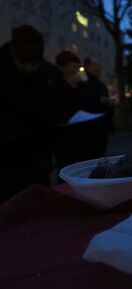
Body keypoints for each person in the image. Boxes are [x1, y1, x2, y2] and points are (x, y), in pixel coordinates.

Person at [0, 25, 70, 203]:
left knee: (37, 201)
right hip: (6, 155)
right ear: (14, 52)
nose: (31, 69)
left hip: (39, 154)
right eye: (25, 64)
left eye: (35, 64)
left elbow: (63, 105)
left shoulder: (49, 73)